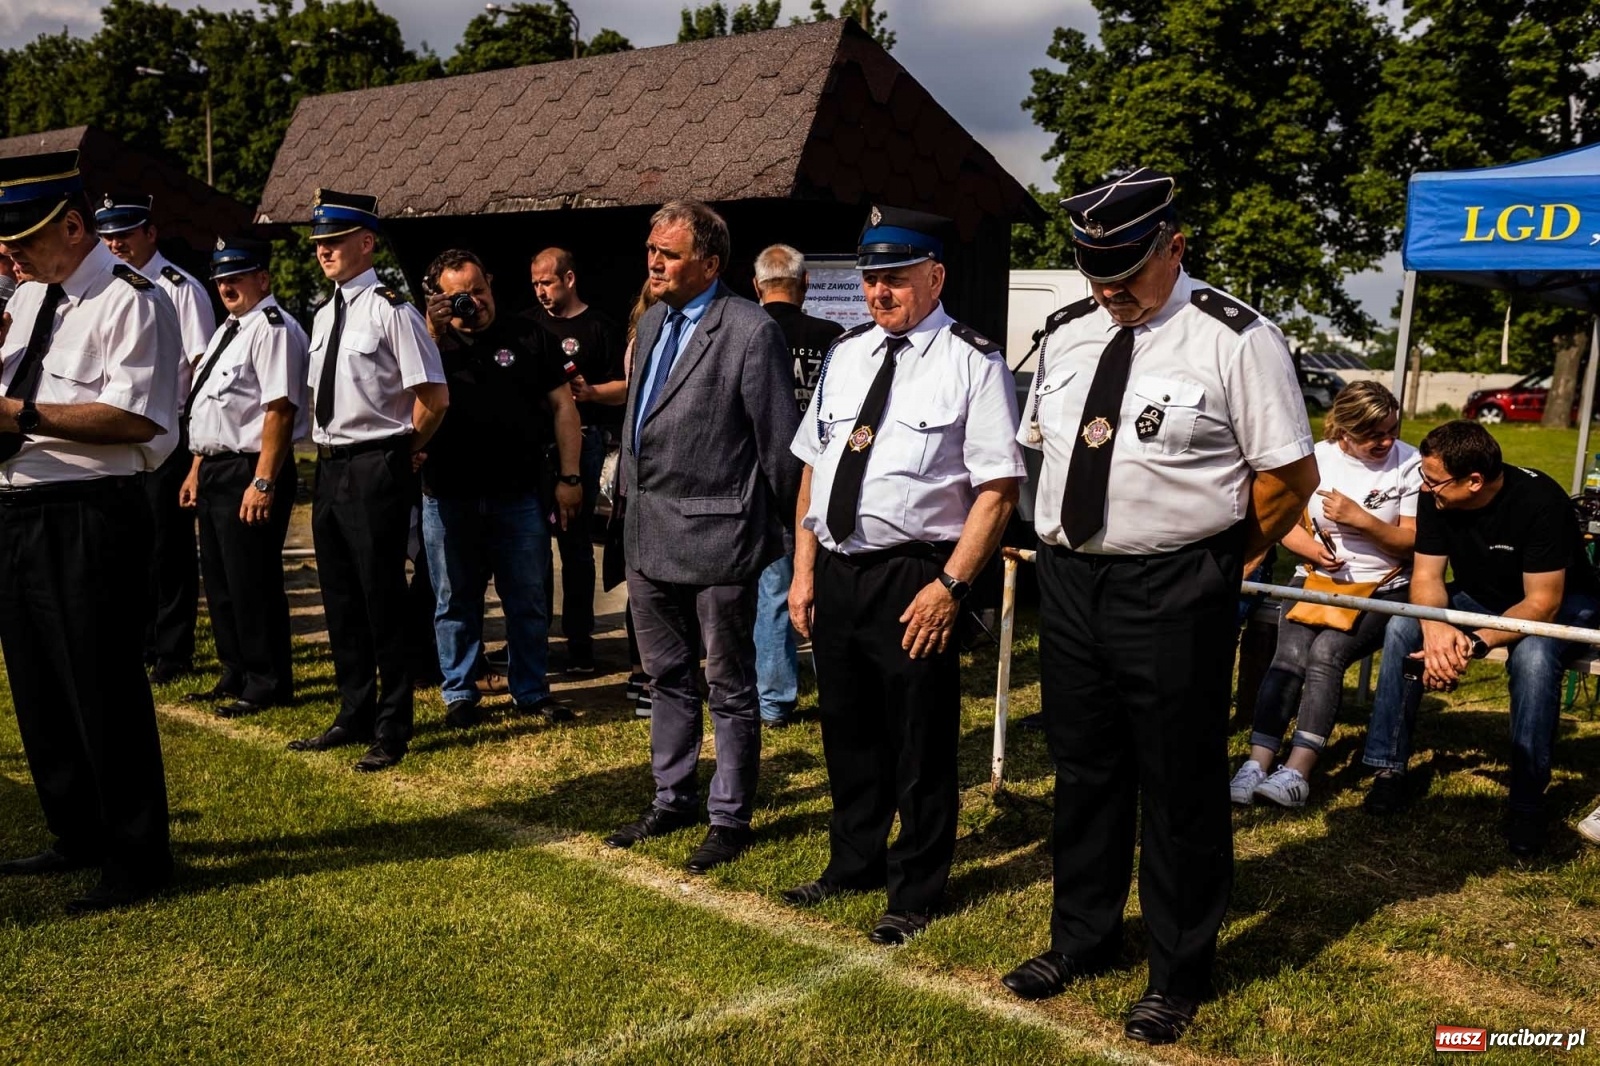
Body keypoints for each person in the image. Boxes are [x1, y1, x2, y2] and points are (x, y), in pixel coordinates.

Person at [1001, 168, 1317, 1045]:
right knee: (1085, 770)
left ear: (1174, 246)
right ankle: (1084, 937)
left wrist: (1225, 561)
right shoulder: (1067, 331)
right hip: (1071, 580)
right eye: (1096, 275)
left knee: (1178, 786)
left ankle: (1177, 970)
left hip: (1176, 586)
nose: (1112, 293)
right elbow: (1046, 451)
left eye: (1128, 273)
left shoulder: (1236, 338)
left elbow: (1290, 477)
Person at [782, 208, 1022, 945]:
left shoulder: (973, 362)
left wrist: (950, 587)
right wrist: (803, 571)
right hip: (841, 570)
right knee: (847, 731)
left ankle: (915, 888)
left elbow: (998, 490)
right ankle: (853, 861)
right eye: (870, 280)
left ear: (935, 276)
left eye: (894, 279)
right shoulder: (848, 353)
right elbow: (814, 466)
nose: (879, 293)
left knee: (919, 741)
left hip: (915, 576)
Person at [0, 151, 182, 911]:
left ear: (74, 229)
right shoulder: (32, 300)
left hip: (85, 511)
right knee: (38, 684)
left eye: (26, 242)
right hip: (14, 509)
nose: (10, 256)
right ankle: (75, 831)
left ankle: (138, 856)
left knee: (100, 684)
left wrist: (17, 416)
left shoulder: (130, 301)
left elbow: (138, 417)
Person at [603, 200, 801, 874]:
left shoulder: (750, 331)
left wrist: (779, 541)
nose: (654, 261)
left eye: (670, 252)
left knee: (730, 682)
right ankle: (672, 796)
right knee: (665, 677)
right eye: (651, 249)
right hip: (648, 531)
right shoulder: (654, 318)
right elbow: (641, 418)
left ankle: (729, 816)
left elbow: (779, 448)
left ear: (710, 264)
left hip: (722, 538)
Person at [1360, 420, 1600, 856]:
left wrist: (1471, 644)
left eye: (1434, 480)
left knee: (1533, 657)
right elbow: (1429, 578)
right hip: (1481, 597)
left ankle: (1527, 802)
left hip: (1561, 603)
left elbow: (1542, 604)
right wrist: (1435, 631)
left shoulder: (1539, 501)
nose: (1426, 488)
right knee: (1401, 625)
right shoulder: (1436, 494)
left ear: (1474, 481)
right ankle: (1389, 771)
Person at [288, 189, 449, 772]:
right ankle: (353, 710)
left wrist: (405, 450)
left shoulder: (392, 310)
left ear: (366, 243)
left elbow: (433, 396)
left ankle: (392, 724)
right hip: (329, 465)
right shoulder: (325, 311)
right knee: (341, 597)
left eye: (334, 241)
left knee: (383, 599)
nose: (323, 252)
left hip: (375, 460)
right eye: (318, 244)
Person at [1230, 382, 1420, 808]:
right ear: (1345, 432)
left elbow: (1412, 542)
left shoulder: (1409, 463)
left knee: (1326, 655)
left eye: (1392, 429)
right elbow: (1282, 521)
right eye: (1374, 435)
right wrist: (1311, 548)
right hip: (1315, 578)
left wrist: (1362, 520)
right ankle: (1257, 763)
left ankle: (1298, 771)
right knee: (1289, 656)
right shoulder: (1316, 457)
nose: (1386, 441)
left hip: (1380, 587)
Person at [419, 248, 582, 727]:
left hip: (518, 494)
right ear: (438, 301)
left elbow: (564, 409)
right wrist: (431, 331)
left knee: (528, 599)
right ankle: (460, 694)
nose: (473, 303)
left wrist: (570, 478)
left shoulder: (530, 335)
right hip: (447, 495)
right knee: (454, 601)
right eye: (458, 297)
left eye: (478, 290)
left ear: (490, 281)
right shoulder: (426, 343)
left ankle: (531, 690)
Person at [178, 236, 308, 716]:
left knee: (252, 580)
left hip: (250, 468)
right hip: (215, 467)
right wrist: (195, 467)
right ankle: (235, 671)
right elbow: (210, 407)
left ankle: (265, 680)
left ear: (263, 278)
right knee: (221, 581)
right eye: (220, 279)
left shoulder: (272, 328)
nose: (225, 286)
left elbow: (279, 410)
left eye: (235, 277)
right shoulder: (229, 329)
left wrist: (263, 480)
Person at [98, 194, 217, 684]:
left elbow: (202, 363)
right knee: (130, 542)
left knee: (169, 546)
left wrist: (193, 448)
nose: (115, 244)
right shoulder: (107, 287)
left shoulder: (178, 287)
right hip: (119, 431)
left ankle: (173, 649)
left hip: (169, 427)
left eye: (125, 233)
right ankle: (141, 639)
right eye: (108, 236)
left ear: (150, 232)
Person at [753, 243, 845, 728]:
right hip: (819, 474)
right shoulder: (833, 338)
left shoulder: (747, 333)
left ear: (756, 286)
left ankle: (773, 699)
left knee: (772, 589)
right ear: (805, 284)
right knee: (821, 586)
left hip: (759, 477)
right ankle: (833, 680)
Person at [525, 247, 625, 676]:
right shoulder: (527, 325)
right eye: (535, 284)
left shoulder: (598, 326)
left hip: (582, 444)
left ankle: (580, 643)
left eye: (547, 282)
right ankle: (534, 641)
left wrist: (590, 394)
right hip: (533, 446)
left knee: (576, 545)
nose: (541, 291)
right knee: (531, 546)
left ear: (569, 278)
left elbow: (626, 385)